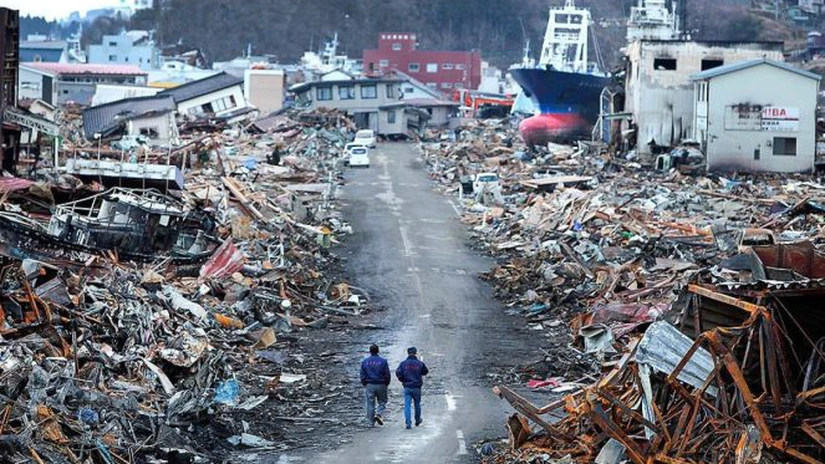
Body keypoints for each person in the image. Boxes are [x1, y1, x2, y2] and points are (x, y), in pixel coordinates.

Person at [396, 347, 429, 429]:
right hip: (417, 387)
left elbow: (398, 373)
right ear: (415, 353)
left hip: (407, 386)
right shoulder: (419, 363)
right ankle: (417, 420)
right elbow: (425, 372)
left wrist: (403, 380)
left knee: (407, 405)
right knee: (417, 404)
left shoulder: (403, 364)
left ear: (408, 353)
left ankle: (408, 423)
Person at [360, 344, 390, 427]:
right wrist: (386, 383)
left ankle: (371, 423)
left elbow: (362, 375)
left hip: (369, 385)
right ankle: (379, 413)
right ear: (378, 351)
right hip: (381, 384)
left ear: (370, 351)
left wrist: (365, 383)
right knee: (382, 401)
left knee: (370, 403)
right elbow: (387, 374)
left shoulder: (365, 361)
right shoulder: (383, 361)